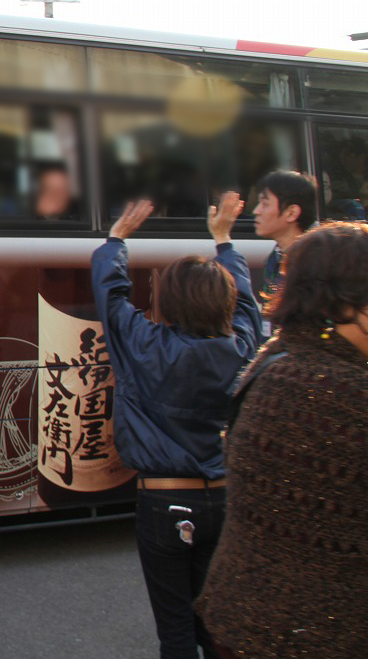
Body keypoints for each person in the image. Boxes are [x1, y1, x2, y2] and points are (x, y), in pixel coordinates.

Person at [92, 193, 262, 659]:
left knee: (176, 631)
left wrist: (116, 240)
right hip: (226, 498)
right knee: (217, 626)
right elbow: (247, 303)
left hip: (164, 500)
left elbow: (111, 295)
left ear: (168, 301)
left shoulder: (146, 344)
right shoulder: (243, 347)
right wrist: (224, 239)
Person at [197, 222, 368, 657]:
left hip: (242, 617)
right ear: (353, 303)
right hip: (322, 634)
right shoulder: (345, 392)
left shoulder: (274, 359)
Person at [251, 170, 316, 302]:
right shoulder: (276, 256)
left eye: (265, 204)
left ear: (292, 213)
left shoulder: (315, 264)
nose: (256, 211)